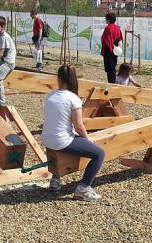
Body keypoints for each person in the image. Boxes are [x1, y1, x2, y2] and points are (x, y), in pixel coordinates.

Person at [42, 64, 105, 202]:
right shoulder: (73, 98)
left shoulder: (50, 95)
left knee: (67, 141)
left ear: (59, 78)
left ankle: (55, 180)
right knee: (99, 154)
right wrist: (88, 139)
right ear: (73, 79)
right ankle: (83, 190)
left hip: (46, 138)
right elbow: (79, 126)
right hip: (60, 140)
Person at [100, 12, 122, 83]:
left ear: (108, 20)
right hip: (116, 51)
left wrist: (110, 49)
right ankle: (114, 81)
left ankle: (112, 83)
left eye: (106, 19)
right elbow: (120, 39)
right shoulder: (118, 28)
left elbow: (106, 40)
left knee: (109, 69)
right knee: (113, 67)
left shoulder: (108, 28)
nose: (105, 20)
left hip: (109, 50)